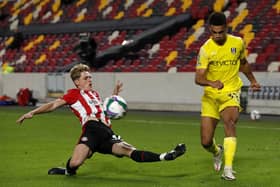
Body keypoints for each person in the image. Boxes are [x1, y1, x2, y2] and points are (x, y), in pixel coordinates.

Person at [16, 63, 186, 176]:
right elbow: (53, 105)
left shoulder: (95, 94)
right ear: (77, 82)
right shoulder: (73, 94)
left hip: (106, 132)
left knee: (128, 151)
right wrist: (33, 112)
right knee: (75, 163)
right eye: (86, 77)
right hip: (91, 129)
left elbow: (104, 110)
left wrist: (115, 95)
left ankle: (166, 156)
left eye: (90, 76)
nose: (90, 79)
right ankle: (68, 171)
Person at [195, 12, 260, 180]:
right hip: (211, 96)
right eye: (214, 32)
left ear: (226, 28)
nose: (217, 36)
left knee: (230, 122)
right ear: (210, 30)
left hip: (230, 91)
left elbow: (243, 63)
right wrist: (211, 83)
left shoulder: (237, 43)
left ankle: (228, 169)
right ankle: (217, 151)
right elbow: (198, 78)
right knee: (206, 142)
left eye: (221, 32)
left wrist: (252, 80)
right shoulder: (205, 49)